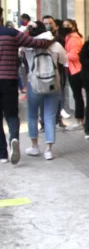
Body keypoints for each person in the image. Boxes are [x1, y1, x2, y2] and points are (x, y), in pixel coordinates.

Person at [0, 20, 52, 164]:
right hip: (9, 80)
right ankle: (14, 139)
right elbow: (36, 43)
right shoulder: (12, 34)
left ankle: (2, 154)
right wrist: (49, 41)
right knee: (11, 115)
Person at [22, 22, 67, 160]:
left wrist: (26, 29)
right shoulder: (55, 45)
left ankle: (35, 146)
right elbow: (64, 61)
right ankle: (48, 149)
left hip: (34, 84)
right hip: (53, 84)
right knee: (50, 115)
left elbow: (19, 41)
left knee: (32, 115)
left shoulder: (28, 46)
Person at [40, 16, 67, 130]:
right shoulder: (38, 40)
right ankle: (44, 123)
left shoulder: (59, 39)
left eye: (50, 23)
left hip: (57, 72)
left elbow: (63, 58)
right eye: (45, 23)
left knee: (58, 96)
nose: (48, 25)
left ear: (55, 25)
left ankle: (57, 119)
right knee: (43, 98)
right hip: (41, 74)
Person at [64, 19, 85, 131]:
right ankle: (79, 119)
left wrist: (63, 53)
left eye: (68, 25)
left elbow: (74, 56)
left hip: (76, 70)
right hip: (72, 69)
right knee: (77, 96)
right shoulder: (69, 38)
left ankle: (79, 120)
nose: (65, 27)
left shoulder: (74, 39)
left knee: (77, 96)